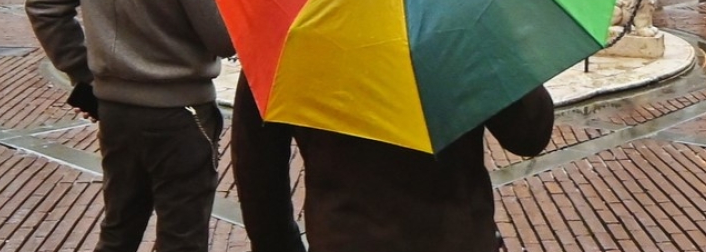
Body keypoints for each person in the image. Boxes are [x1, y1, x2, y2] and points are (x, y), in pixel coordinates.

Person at [25, 0, 236, 252]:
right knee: (182, 237)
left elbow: (42, 2)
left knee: (119, 230)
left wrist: (84, 74)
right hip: (181, 116)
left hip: (116, 112)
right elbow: (225, 39)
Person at [232, 72, 555, 252]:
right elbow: (528, 134)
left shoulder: (291, 31)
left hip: (346, 239)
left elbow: (257, 169)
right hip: (456, 237)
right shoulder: (459, 18)